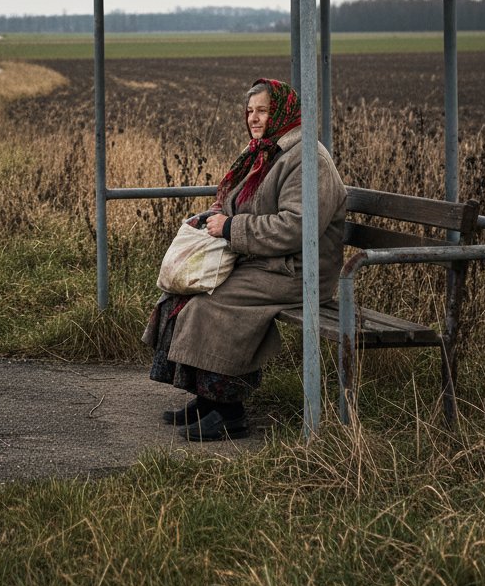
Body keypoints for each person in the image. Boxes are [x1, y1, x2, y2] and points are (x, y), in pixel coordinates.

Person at [142, 77, 347, 440]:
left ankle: (229, 413)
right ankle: (207, 401)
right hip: (265, 262)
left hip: (299, 271)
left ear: (282, 112)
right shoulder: (266, 152)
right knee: (184, 296)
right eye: (250, 111)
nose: (254, 118)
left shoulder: (306, 159)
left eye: (263, 111)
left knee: (213, 306)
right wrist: (211, 218)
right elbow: (242, 203)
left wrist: (232, 228)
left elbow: (298, 227)